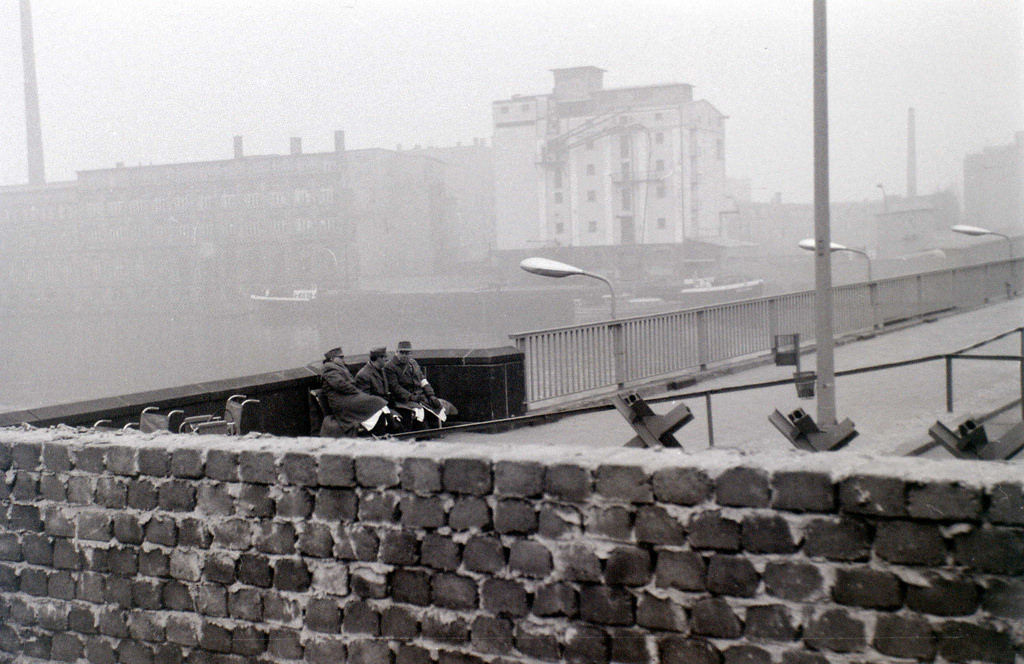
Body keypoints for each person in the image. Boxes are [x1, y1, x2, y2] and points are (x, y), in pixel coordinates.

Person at [320, 347, 390, 436]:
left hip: (348, 398)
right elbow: (340, 385)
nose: (343, 359)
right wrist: (356, 391)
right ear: (332, 359)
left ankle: (380, 431)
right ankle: (377, 432)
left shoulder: (338, 368)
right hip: (341, 401)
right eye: (340, 358)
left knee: (376, 402)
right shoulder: (329, 369)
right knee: (376, 401)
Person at [384, 340, 458, 424]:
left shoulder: (413, 363)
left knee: (438, 406)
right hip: (403, 400)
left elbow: (423, 380)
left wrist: (431, 395)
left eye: (407, 353)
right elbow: (395, 388)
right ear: (396, 352)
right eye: (402, 352)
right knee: (421, 416)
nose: (404, 355)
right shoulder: (390, 367)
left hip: (419, 396)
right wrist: (412, 397)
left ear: (411, 353)